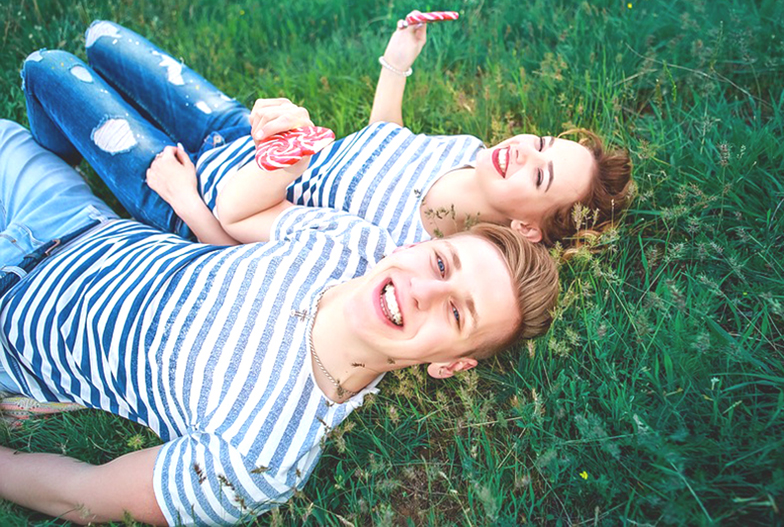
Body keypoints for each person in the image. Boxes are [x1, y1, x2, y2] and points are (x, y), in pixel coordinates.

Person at [0, 119, 558, 525]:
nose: (425, 290)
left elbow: (81, 493)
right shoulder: (354, 241)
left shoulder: (258, 461)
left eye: (457, 311)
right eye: (441, 263)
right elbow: (237, 221)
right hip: (73, 218)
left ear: (449, 364)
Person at [23, 20, 632, 251]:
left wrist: (183, 200)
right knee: (102, 37)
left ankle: (58, 159)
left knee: (46, 68)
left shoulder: (406, 250)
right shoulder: (466, 156)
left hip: (190, 187)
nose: (526, 150)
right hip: (239, 132)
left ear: (527, 228)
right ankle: (79, 138)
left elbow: (246, 246)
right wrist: (396, 64)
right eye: (544, 143)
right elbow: (385, 140)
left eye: (541, 173)